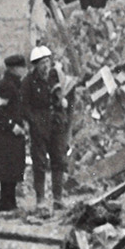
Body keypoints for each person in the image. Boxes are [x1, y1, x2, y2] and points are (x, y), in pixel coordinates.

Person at [23, 45, 71, 209]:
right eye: (42, 63)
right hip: (39, 126)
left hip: (56, 124)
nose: (46, 66)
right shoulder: (28, 82)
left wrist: (62, 114)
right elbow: (24, 107)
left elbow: (61, 98)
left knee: (58, 159)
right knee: (40, 162)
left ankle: (58, 199)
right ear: (35, 65)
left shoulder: (54, 76)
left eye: (47, 62)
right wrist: (34, 122)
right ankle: (41, 200)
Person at [0, 53, 28, 212]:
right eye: (21, 67)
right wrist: (11, 125)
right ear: (14, 69)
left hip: (13, 135)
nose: (24, 70)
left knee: (13, 169)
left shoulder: (16, 84)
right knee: (7, 170)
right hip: (6, 135)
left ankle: (11, 203)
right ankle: (6, 204)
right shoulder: (6, 86)